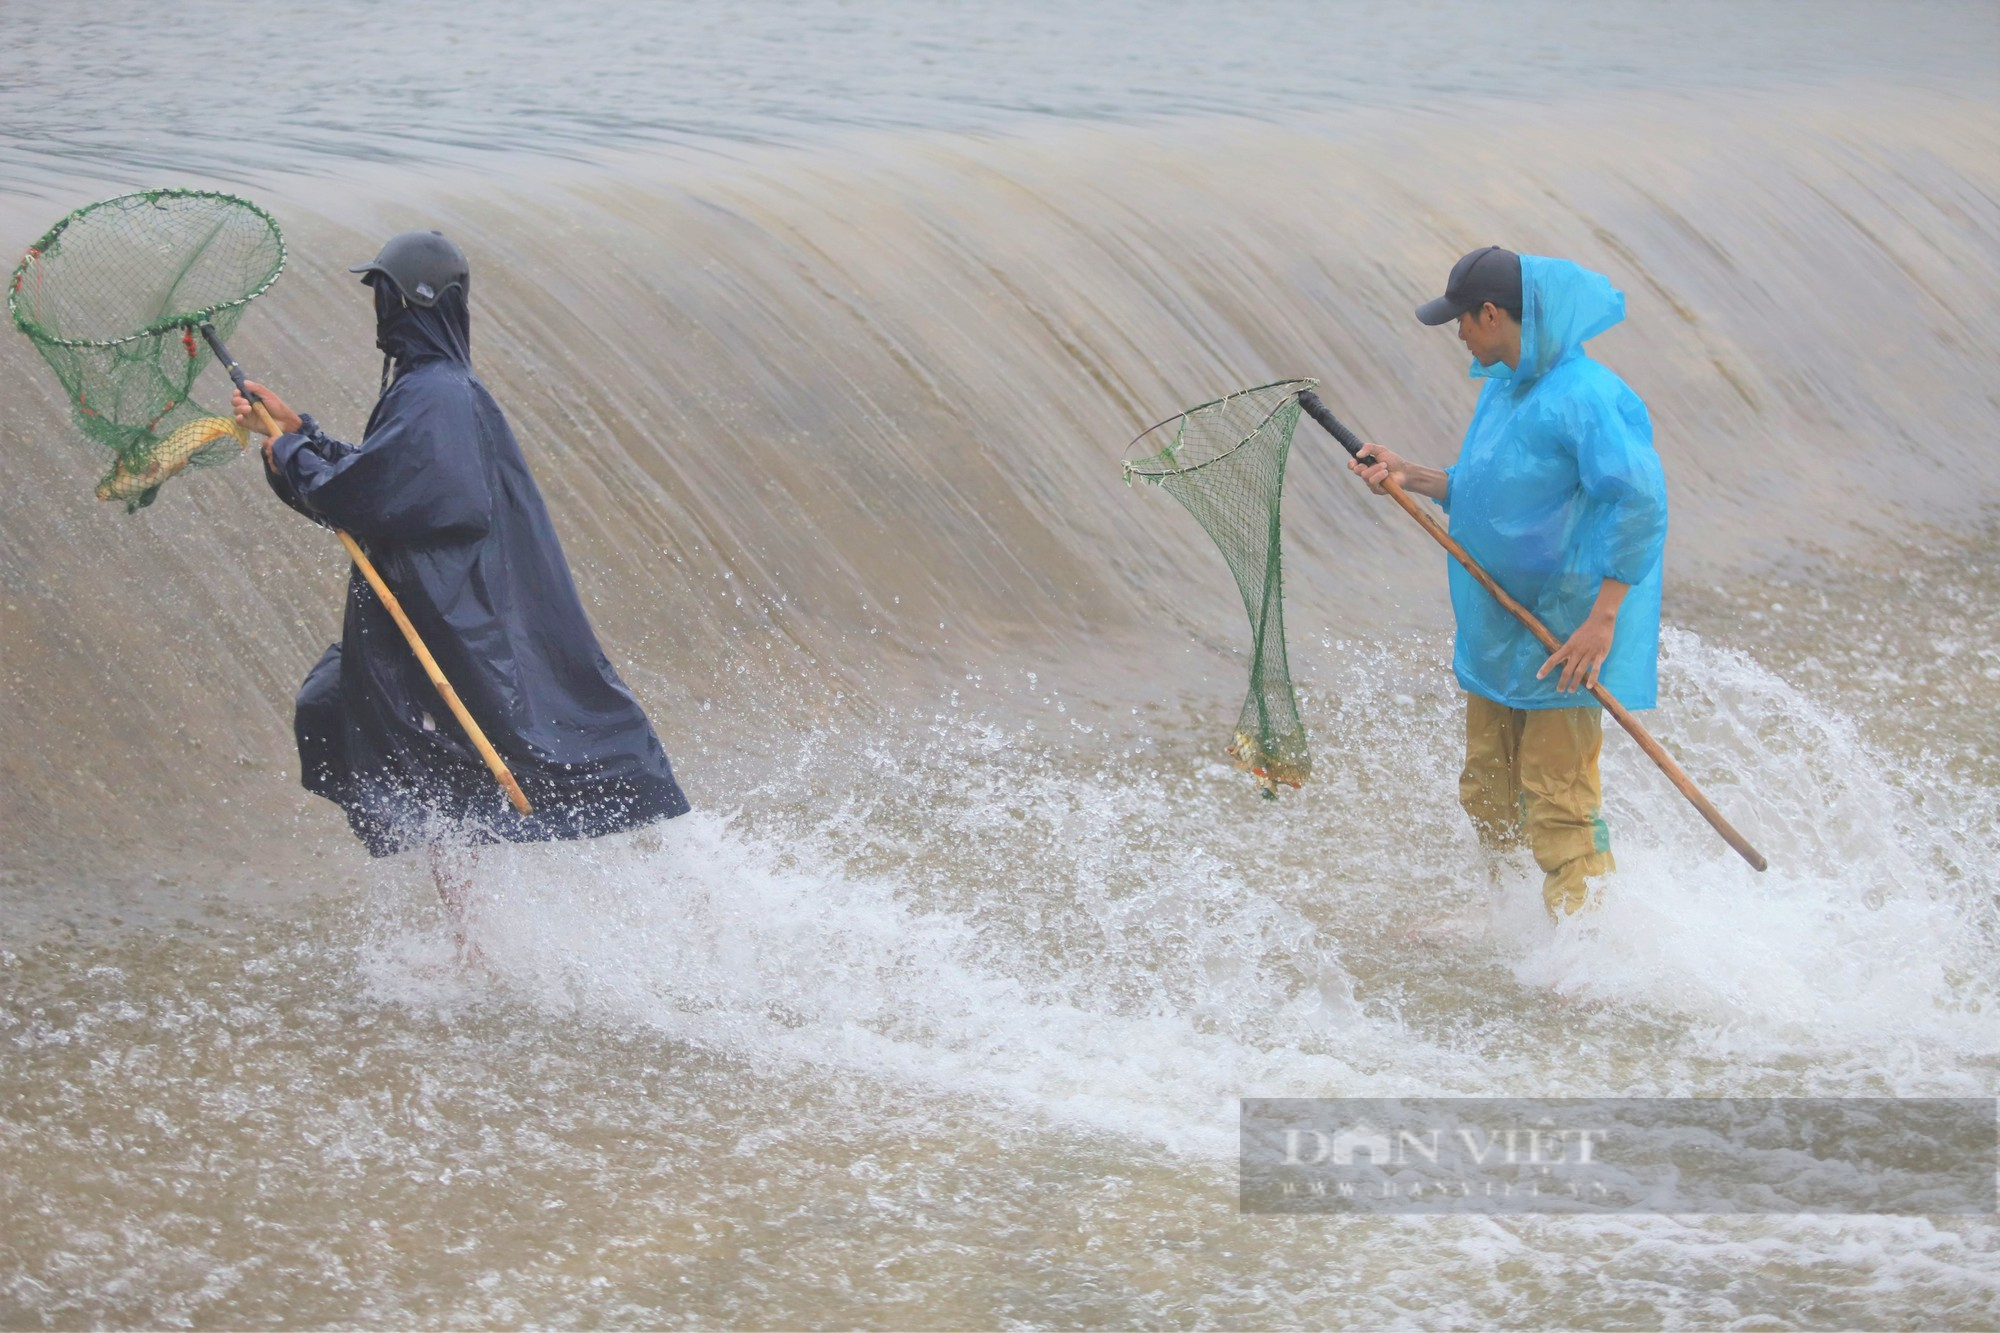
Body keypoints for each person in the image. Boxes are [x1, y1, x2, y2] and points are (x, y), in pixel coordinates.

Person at [233, 230, 690, 940]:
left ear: (406, 301)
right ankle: (475, 941)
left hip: (449, 628)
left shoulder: (436, 394)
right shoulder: (436, 390)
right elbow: (378, 483)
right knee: (398, 752)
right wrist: (299, 437)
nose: (377, 309)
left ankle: (516, 937)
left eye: (382, 293)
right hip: (440, 620)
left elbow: (377, 496)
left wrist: (293, 452)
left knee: (424, 757)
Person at [1350, 246, 1667, 919]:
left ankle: (1588, 951)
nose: (1458, 334)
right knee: (1489, 789)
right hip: (1503, 624)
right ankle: (1512, 920)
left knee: (1559, 796)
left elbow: (1640, 502)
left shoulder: (1587, 396)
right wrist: (1412, 475)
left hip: (1567, 627)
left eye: (1461, 320)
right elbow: (1486, 492)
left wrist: (1603, 619)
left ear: (1491, 313)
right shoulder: (1506, 387)